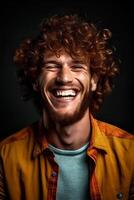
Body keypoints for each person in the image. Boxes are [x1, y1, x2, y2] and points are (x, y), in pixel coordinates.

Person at [0, 14, 134, 200]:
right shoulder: (4, 158)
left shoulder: (130, 154)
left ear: (94, 80)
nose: (64, 78)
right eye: (52, 66)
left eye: (77, 66)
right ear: (35, 80)